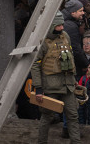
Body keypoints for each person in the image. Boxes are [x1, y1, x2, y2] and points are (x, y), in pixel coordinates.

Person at [31, 11, 82, 144]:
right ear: (52, 25)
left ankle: (76, 141)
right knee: (47, 116)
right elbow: (35, 65)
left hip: (68, 85)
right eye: (58, 26)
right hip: (51, 86)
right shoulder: (43, 41)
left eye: (62, 25)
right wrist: (39, 88)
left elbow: (70, 57)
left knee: (73, 115)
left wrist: (74, 79)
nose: (62, 28)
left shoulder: (65, 36)